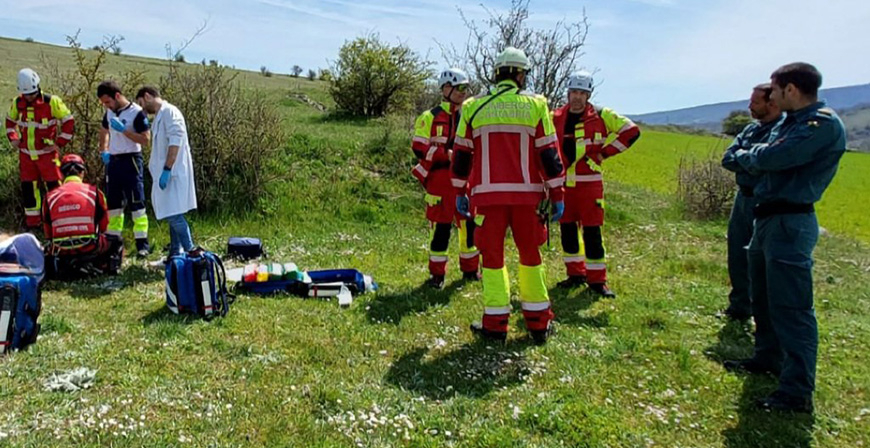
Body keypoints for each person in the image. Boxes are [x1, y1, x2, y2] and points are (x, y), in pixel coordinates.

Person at [726, 62, 847, 413]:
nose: (773, 98)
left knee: (791, 308)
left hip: (790, 223)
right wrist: (756, 158)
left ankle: (796, 391)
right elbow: (758, 156)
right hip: (766, 218)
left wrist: (752, 157)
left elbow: (776, 156)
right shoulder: (789, 122)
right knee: (762, 297)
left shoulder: (819, 124)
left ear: (791, 89)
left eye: (776, 91)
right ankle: (767, 357)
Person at [451, 47, 566, 345]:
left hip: (486, 199)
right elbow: (549, 154)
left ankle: (495, 325)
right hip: (528, 200)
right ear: (519, 74)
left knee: (491, 259)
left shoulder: (473, 107)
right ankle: (539, 323)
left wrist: (458, 191)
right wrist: (558, 193)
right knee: (531, 257)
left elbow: (462, 155)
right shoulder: (537, 105)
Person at [551, 71, 640, 298]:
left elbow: (631, 132)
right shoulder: (555, 116)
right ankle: (575, 274)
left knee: (592, 233)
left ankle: (597, 281)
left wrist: (604, 154)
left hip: (589, 186)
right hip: (564, 186)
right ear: (568, 93)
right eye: (574, 92)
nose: (577, 97)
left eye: (582, 93)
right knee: (567, 232)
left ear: (589, 94)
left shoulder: (601, 115)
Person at [411, 68, 480, 289]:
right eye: (460, 88)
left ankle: (470, 270)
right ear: (446, 88)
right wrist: (445, 154)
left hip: (464, 179)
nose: (464, 92)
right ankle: (437, 275)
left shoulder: (469, 116)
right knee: (440, 230)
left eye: (466, 88)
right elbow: (419, 148)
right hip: (439, 181)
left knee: (469, 227)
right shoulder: (429, 117)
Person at [720, 84, 784, 320]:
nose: (749, 106)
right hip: (742, 197)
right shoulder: (749, 129)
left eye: (755, 102)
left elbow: (768, 162)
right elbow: (728, 158)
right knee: (737, 252)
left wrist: (745, 157)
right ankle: (739, 306)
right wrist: (751, 158)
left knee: (762, 258)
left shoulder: (781, 130)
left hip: (764, 199)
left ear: (772, 103)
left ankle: (764, 313)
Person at [5, 68, 75, 228]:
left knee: (54, 188)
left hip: (47, 156)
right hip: (26, 156)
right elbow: (9, 121)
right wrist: (13, 139)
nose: (29, 97)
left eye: (32, 93)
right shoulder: (18, 103)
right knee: (29, 190)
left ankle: (58, 222)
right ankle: (33, 224)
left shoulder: (51, 102)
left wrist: (59, 144)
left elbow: (69, 122)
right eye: (26, 94)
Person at [135, 86, 197, 256]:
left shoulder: (170, 112)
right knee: (171, 213)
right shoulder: (160, 116)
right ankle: (175, 254)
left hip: (173, 174)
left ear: (147, 96)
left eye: (141, 103)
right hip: (166, 174)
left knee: (175, 215)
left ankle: (192, 252)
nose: (142, 109)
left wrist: (167, 169)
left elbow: (175, 142)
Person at [43, 154, 123, 278]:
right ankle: (109, 269)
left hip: (61, 250)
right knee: (116, 240)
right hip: (89, 246)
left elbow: (48, 234)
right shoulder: (94, 192)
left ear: (61, 174)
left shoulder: (49, 197)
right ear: (82, 173)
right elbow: (104, 225)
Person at [97, 81, 151, 257]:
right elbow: (104, 130)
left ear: (117, 96)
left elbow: (145, 139)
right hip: (113, 160)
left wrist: (125, 131)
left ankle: (142, 244)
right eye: (104, 103)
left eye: (107, 101)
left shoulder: (136, 113)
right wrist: (103, 149)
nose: (106, 105)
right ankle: (113, 242)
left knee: (137, 203)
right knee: (113, 204)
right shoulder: (110, 112)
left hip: (131, 160)